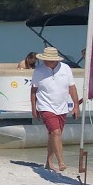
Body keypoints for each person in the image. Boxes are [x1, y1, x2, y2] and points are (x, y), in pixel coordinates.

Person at [29, 45, 81, 175]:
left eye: (50, 60)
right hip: (45, 106)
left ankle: (48, 162)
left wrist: (76, 105)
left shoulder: (66, 69)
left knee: (53, 135)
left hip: (62, 107)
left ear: (56, 60)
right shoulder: (39, 71)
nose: (47, 62)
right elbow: (33, 90)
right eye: (46, 59)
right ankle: (61, 162)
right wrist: (34, 108)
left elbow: (72, 88)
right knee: (56, 132)